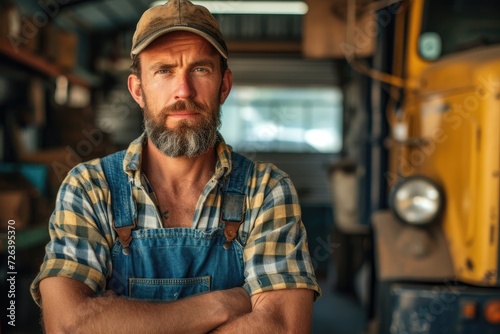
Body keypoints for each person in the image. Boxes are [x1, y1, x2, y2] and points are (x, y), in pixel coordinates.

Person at [30, 0, 321, 332]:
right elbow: (69, 326)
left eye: (200, 69)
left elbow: (284, 326)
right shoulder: (90, 189)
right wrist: (223, 303)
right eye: (164, 70)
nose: (183, 91)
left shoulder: (266, 191)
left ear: (224, 85)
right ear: (138, 89)